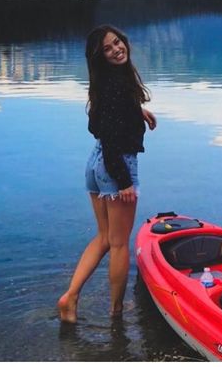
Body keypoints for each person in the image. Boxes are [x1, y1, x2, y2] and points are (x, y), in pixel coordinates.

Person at [57, 25, 157, 323]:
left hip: (96, 162)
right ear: (101, 57)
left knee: (104, 237)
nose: (117, 50)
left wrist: (135, 111)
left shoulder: (104, 84)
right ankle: (116, 313)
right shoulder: (118, 86)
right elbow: (112, 137)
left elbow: (96, 127)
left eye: (117, 42)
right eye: (109, 49)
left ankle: (70, 296)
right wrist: (124, 180)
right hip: (116, 165)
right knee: (118, 244)